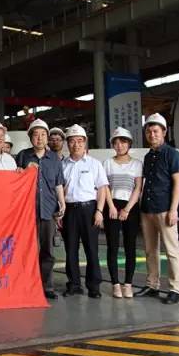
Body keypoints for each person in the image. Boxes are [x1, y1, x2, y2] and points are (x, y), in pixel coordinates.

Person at [135, 113, 179, 304]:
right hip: (147, 209)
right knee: (150, 250)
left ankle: (176, 289)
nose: (152, 134)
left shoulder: (172, 154)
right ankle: (152, 285)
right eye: (149, 131)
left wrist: (174, 210)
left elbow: (177, 184)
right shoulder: (148, 157)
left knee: (172, 250)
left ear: (164, 132)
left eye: (155, 131)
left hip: (165, 209)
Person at [15, 119, 66, 300]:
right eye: (36, 135)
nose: (39, 138)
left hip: (48, 209)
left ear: (47, 137)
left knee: (47, 251)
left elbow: (58, 183)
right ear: (30, 137)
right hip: (26, 212)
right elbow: (14, 179)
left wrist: (62, 202)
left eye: (43, 134)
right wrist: (22, 170)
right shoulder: (22, 156)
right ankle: (26, 285)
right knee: (26, 250)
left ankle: (46, 286)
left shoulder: (54, 158)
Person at [61, 124, 109, 299]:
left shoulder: (94, 164)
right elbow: (58, 190)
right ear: (67, 144)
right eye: (72, 141)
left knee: (91, 249)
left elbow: (102, 188)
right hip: (69, 211)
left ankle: (94, 286)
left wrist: (99, 211)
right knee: (71, 249)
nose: (76, 144)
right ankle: (74, 284)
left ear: (85, 142)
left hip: (89, 210)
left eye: (80, 141)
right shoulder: (62, 165)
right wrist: (60, 212)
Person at [103, 127, 143, 299]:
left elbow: (138, 188)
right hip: (111, 205)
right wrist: (111, 206)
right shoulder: (107, 163)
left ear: (129, 144)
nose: (119, 146)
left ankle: (128, 284)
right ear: (113, 145)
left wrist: (127, 209)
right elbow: (104, 187)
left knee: (130, 246)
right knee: (112, 246)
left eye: (123, 142)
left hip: (130, 207)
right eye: (116, 142)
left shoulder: (137, 164)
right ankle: (115, 284)